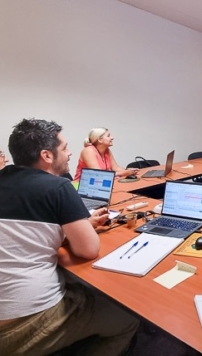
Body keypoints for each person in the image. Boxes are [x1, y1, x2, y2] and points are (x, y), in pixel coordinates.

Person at [0, 118, 139, 355]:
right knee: (127, 318)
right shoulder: (58, 188)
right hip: (21, 324)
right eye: (64, 148)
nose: (70, 152)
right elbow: (88, 250)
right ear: (47, 155)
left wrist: (79, 225)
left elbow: (26, 233)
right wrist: (83, 228)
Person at [74, 127, 138, 181]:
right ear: (100, 140)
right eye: (108, 136)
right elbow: (98, 175)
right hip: (82, 187)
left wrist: (129, 171)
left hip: (101, 183)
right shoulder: (88, 151)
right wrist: (124, 173)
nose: (112, 138)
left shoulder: (106, 150)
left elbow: (116, 167)